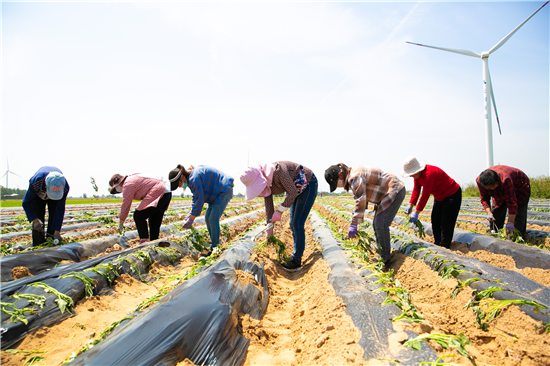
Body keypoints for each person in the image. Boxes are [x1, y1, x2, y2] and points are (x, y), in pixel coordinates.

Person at [325, 164, 405, 271]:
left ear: (340, 175)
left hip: (394, 190)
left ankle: (385, 259)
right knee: (378, 223)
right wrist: (358, 209)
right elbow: (364, 194)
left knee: (380, 223)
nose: (338, 186)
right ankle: (382, 256)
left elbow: (361, 199)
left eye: (336, 183)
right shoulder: (353, 175)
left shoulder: (354, 177)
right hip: (388, 192)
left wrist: (354, 223)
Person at [240, 161, 318, 271]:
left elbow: (292, 192)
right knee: (292, 223)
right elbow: (268, 204)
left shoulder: (279, 171)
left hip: (308, 184)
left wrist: (280, 211)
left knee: (297, 222)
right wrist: (269, 227)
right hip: (296, 188)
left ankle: (296, 260)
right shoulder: (266, 182)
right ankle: (295, 257)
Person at [168, 164, 234, 253]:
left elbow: (200, 200)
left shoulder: (194, 178)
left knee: (213, 219)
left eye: (178, 184)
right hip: (215, 194)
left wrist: (191, 219)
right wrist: (191, 212)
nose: (179, 186)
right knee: (207, 219)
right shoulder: (192, 178)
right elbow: (196, 197)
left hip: (223, 191)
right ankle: (215, 244)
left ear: (182, 177)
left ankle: (215, 247)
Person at [401, 156, 462, 249]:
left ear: (417, 170)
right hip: (439, 196)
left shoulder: (429, 174)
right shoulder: (417, 176)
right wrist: (410, 205)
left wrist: (416, 212)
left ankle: (445, 246)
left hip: (451, 194)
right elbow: (416, 190)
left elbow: (425, 195)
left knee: (446, 222)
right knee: (435, 219)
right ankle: (438, 243)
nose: (410, 176)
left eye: (411, 174)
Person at [109, 173, 172, 244]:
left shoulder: (127, 184)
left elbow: (126, 204)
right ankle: (154, 242)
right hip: (166, 193)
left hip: (159, 192)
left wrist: (121, 222)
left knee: (138, 216)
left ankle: (144, 241)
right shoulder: (132, 179)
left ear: (119, 184)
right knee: (154, 219)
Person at [476, 165, 530, 239]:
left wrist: (510, 223)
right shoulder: (480, 181)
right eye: (489, 188)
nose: (491, 189)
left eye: (492, 187)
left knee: (519, 213)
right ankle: (495, 233)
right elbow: (484, 199)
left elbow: (512, 202)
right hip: (501, 189)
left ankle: (516, 236)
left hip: (520, 186)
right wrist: (489, 213)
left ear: (497, 182)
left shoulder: (505, 180)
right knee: (496, 211)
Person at [22, 166, 70, 246]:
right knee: (38, 217)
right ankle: (38, 244)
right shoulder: (36, 182)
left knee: (54, 214)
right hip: (38, 197)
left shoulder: (65, 187)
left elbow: (60, 209)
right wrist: (34, 220)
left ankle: (51, 239)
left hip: (56, 198)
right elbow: (26, 203)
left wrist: (57, 231)